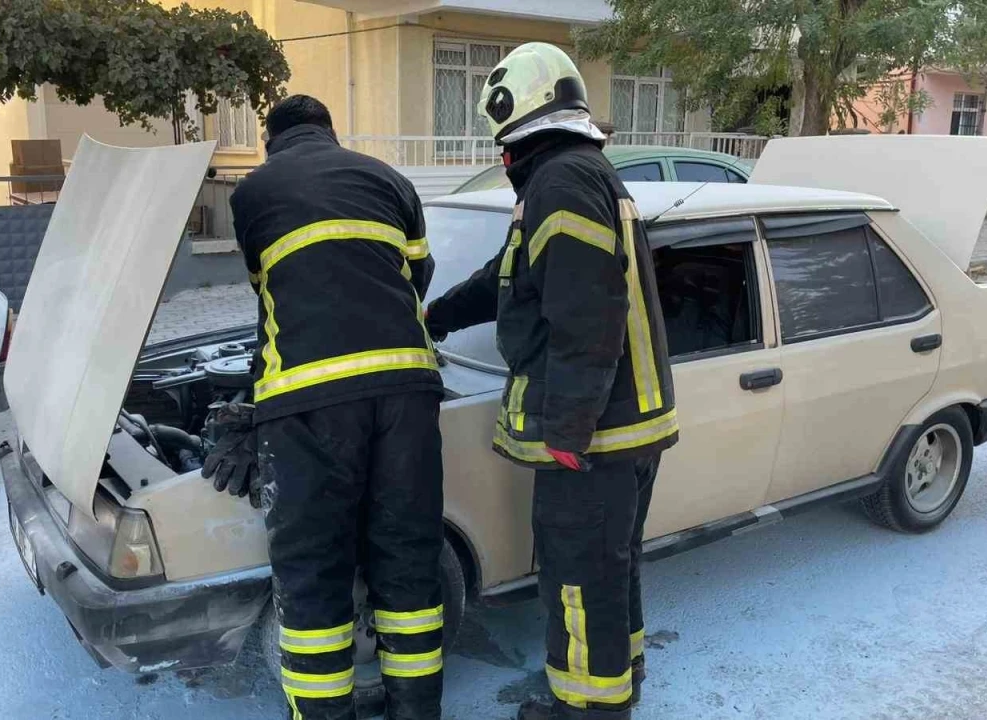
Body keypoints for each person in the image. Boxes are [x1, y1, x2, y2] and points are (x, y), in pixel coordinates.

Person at [424, 43, 677, 720]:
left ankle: (588, 708)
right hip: (621, 425)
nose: (502, 158)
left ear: (519, 129)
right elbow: (512, 278)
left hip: (595, 435)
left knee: (577, 575)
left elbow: (586, 317)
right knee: (609, 567)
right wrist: (437, 315)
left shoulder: (561, 185)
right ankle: (619, 678)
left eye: (503, 144)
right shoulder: (575, 175)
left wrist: (567, 430)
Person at [204, 94, 445, 720]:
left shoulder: (251, 194)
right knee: (409, 565)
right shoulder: (391, 179)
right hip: (407, 394)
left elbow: (273, 299)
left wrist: (252, 407)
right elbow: (418, 277)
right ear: (331, 133)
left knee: (313, 575)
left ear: (269, 142)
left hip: (308, 402)